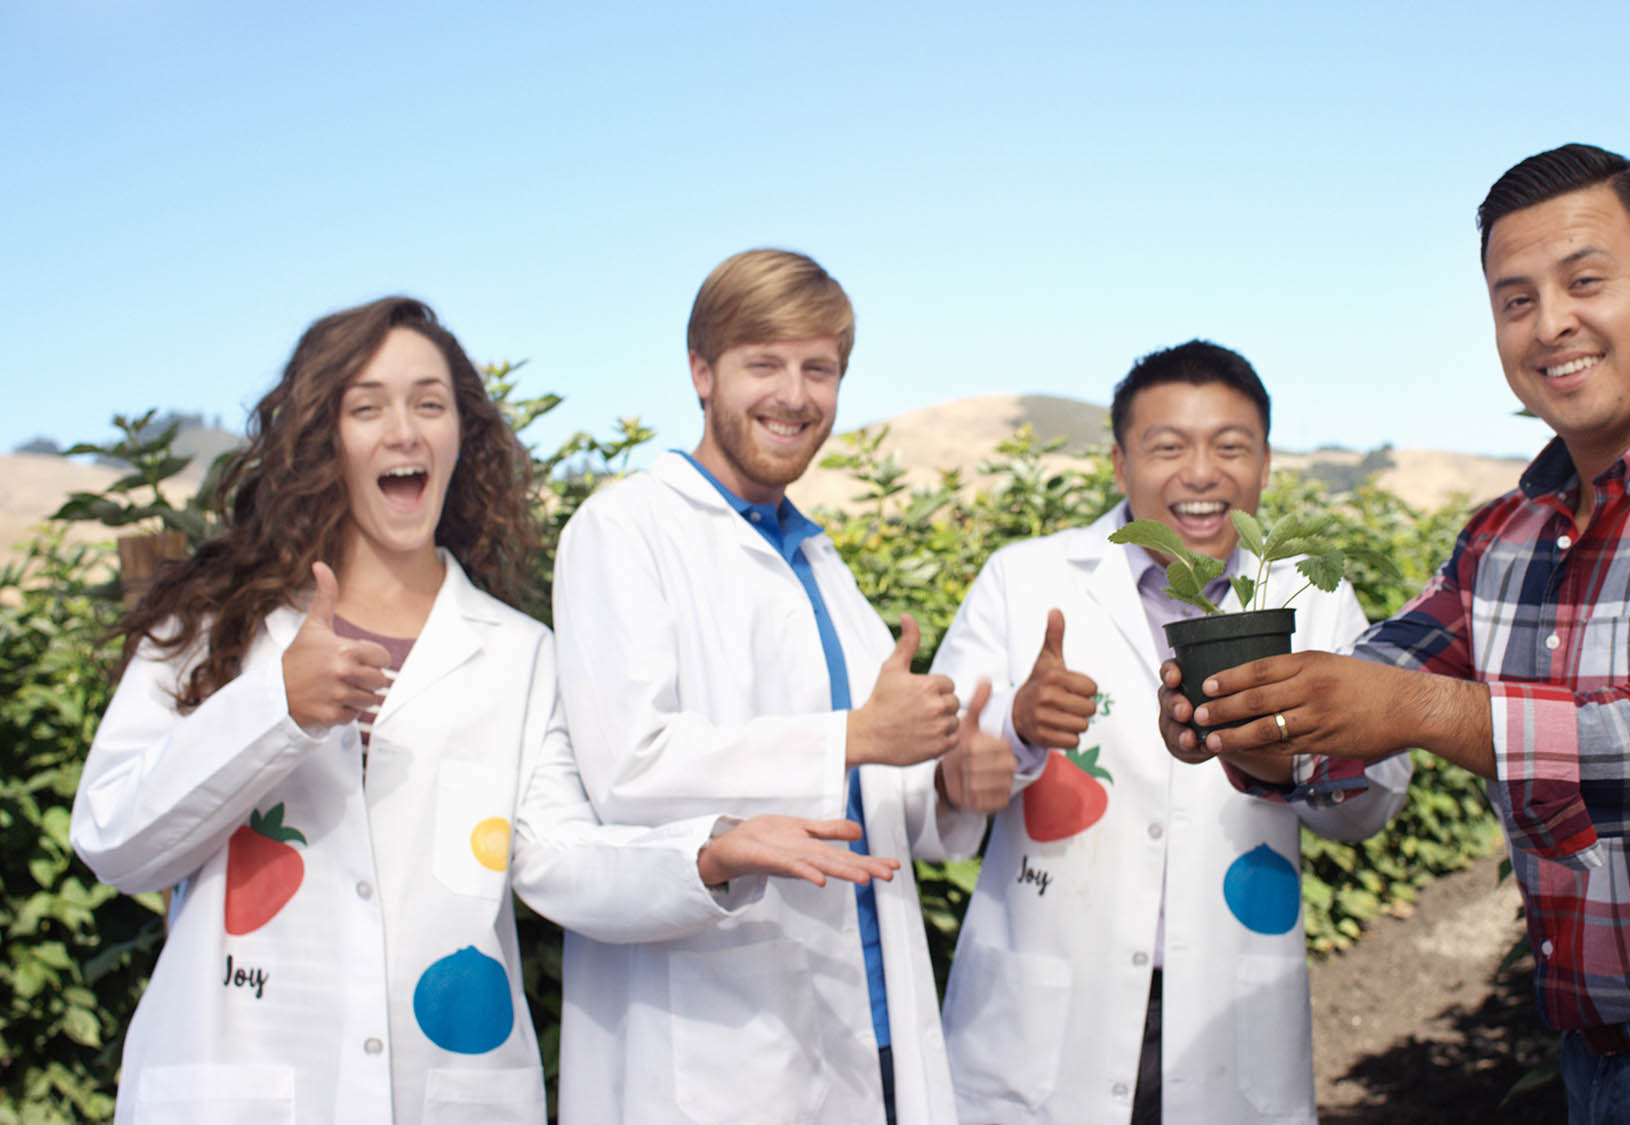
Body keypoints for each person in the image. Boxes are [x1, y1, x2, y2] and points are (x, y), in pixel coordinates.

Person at [1161, 144, 1630, 1121]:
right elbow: (1372, 685)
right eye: (1515, 299)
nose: (1550, 322)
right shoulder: (1504, 536)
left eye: (1585, 281)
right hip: (1606, 1062)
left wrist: (1423, 709)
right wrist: (1255, 725)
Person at [69, 296, 895, 1125]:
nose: (405, 431)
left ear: (462, 435)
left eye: (430, 404)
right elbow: (112, 836)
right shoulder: (214, 627)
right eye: (367, 408)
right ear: (323, 438)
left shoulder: (518, 655)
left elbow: (559, 857)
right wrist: (276, 707)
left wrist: (706, 854)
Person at [550, 248, 1014, 1124]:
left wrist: (951, 784)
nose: (795, 395)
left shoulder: (818, 558)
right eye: (763, 363)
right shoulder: (622, 530)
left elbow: (873, 798)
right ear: (701, 372)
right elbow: (628, 771)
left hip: (873, 1022)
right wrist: (853, 735)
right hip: (720, 1040)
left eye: (819, 369)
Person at [931, 340, 1411, 1123]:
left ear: (1266, 465)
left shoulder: (1312, 598)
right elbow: (948, 760)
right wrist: (1015, 727)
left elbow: (1377, 794)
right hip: (1046, 1022)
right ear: (1120, 465)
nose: (1201, 473)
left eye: (1231, 446)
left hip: (1227, 1015)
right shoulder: (1024, 579)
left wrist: (1288, 760)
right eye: (1168, 447)